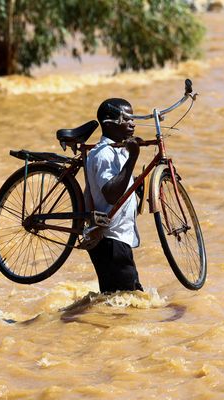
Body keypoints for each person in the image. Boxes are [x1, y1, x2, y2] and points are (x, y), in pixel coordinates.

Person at [84, 98, 145, 293]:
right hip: (110, 241)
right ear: (109, 122)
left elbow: (122, 183)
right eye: (126, 118)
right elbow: (111, 194)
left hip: (117, 241)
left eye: (133, 118)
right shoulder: (104, 154)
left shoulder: (119, 151)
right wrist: (133, 158)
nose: (132, 123)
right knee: (126, 303)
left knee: (121, 302)